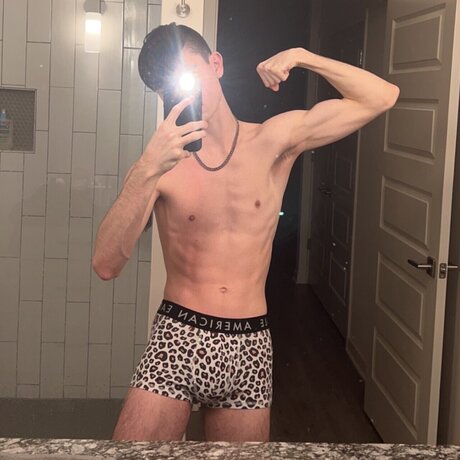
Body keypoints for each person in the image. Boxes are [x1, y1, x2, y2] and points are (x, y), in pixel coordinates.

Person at [92, 23, 399, 442]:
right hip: (177, 336)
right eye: (167, 89)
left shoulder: (272, 141)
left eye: (188, 76)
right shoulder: (159, 166)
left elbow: (382, 96)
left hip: (250, 343)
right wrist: (147, 166)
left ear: (216, 64)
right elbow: (106, 264)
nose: (181, 96)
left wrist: (303, 56)